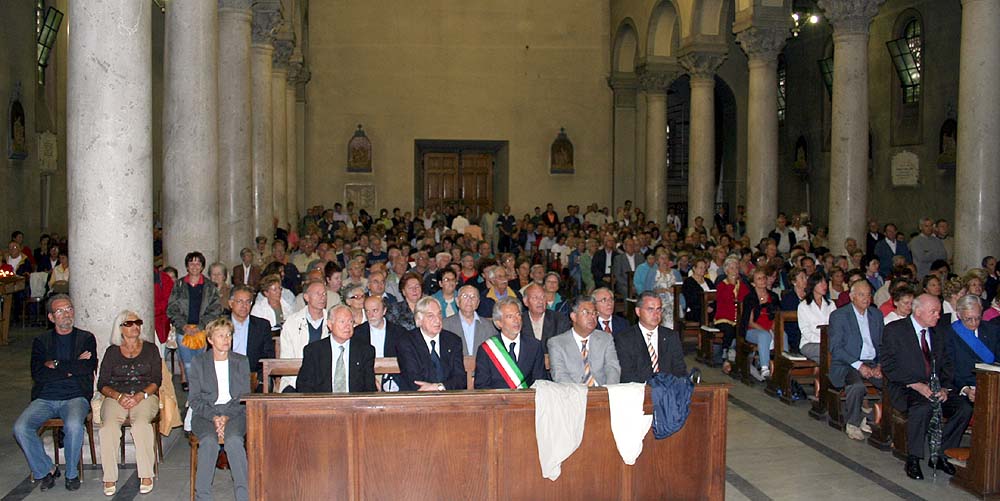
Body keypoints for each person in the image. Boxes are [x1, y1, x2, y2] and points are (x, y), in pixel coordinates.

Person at [881, 293, 972, 480]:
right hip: (907, 387)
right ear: (918, 312)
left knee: (964, 407)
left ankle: (941, 453)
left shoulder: (939, 332)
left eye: (939, 311)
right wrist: (916, 385)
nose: (938, 316)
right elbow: (888, 366)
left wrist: (945, 388)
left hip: (936, 387)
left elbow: (948, 365)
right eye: (934, 312)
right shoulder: (895, 330)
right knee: (922, 407)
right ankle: (913, 458)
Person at [13, 294, 96, 492]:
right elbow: (39, 373)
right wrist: (72, 366)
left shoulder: (86, 338)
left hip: (75, 396)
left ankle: (71, 474)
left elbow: (87, 367)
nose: (66, 314)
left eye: (69, 309)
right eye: (60, 311)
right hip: (45, 398)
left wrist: (56, 364)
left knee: (74, 425)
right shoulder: (41, 341)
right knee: (21, 427)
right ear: (51, 317)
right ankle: (46, 469)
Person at [97, 310, 162, 496]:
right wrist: (118, 396)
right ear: (120, 328)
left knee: (141, 425)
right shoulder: (112, 352)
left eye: (138, 322)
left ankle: (146, 475)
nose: (135, 326)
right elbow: (102, 384)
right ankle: (109, 477)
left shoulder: (151, 349)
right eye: (129, 323)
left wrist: (140, 395)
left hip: (144, 396)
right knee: (108, 428)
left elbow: (156, 380)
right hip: (116, 396)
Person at [187, 317, 251, 501]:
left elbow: (243, 397)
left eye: (229, 335)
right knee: (208, 442)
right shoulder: (199, 362)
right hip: (205, 412)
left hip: (235, 411)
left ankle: (244, 496)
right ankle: (203, 496)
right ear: (210, 339)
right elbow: (194, 399)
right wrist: (215, 416)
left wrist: (225, 416)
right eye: (221, 335)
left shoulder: (241, 361)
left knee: (234, 441)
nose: (226, 339)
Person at [828, 279, 884, 441]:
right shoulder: (839, 316)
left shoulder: (876, 314)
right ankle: (852, 423)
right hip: (848, 363)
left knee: (894, 383)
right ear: (852, 297)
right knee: (857, 386)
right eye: (861, 295)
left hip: (872, 362)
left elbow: (882, 344)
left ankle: (871, 418)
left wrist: (879, 365)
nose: (866, 298)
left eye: (868, 295)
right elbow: (836, 348)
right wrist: (859, 366)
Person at [166, 251, 222, 391]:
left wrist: (201, 325)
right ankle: (193, 393)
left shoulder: (209, 286)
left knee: (200, 364)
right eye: (191, 263)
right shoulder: (179, 285)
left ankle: (199, 392)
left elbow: (215, 309)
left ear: (202, 266)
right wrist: (183, 325)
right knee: (188, 364)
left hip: (201, 330)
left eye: (198, 263)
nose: (194, 266)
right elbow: (172, 308)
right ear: (187, 266)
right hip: (183, 331)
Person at [297, 305, 377, 393]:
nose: (348, 326)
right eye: (342, 322)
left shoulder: (365, 351)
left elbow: (369, 388)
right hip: (322, 400)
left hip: (355, 400)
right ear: (330, 324)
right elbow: (304, 386)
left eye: (350, 321)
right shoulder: (314, 351)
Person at [474, 297, 546, 389]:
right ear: (499, 323)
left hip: (527, 397)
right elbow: (482, 386)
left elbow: (540, 382)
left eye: (518, 315)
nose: (516, 320)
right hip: (497, 397)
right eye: (510, 317)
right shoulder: (487, 349)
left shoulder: (534, 346)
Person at [395, 297, 467, 391]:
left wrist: (439, 387)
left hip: (448, 396)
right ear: (419, 320)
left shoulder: (453, 341)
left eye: (439, 314)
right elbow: (414, 380)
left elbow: (460, 378)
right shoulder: (406, 342)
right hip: (417, 397)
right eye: (430, 316)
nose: (437, 320)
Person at [547, 295, 620, 386]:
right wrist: (582, 393)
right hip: (572, 392)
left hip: (602, 390)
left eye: (594, 313)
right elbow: (560, 375)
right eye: (586, 312)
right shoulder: (557, 343)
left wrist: (608, 391)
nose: (592, 317)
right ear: (574, 316)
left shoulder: (606, 339)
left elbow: (613, 368)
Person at [616, 292, 686, 383]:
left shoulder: (671, 336)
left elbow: (680, 369)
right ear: (638, 311)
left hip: (668, 388)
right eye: (650, 309)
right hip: (639, 388)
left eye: (658, 309)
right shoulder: (624, 338)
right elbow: (626, 374)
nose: (656, 314)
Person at [946, 294, 1000, 403]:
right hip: (964, 388)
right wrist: (966, 389)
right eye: (969, 319)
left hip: (992, 384)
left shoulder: (993, 330)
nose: (974, 323)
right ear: (959, 315)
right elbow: (949, 368)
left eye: (978, 318)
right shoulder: (948, 334)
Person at [278, 280, 329, 392]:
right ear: (306, 297)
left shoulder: (332, 320)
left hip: (326, 379)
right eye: (318, 293)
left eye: (324, 293)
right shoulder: (292, 322)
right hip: (295, 378)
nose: (323, 297)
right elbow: (286, 359)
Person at [228, 286, 274, 390]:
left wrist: (260, 379)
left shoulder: (262, 326)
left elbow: (269, 356)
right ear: (231, 303)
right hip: (227, 375)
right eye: (240, 301)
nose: (244, 306)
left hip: (254, 377)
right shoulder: (220, 325)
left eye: (248, 302)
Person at [739, 267, 779, 381]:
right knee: (764, 335)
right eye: (759, 278)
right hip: (752, 330)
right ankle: (764, 368)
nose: (763, 280)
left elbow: (777, 316)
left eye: (764, 278)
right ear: (753, 283)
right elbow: (750, 322)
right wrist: (766, 331)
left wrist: (774, 329)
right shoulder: (750, 298)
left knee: (783, 335)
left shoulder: (773, 296)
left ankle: (780, 368)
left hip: (770, 328)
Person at [715, 257, 748, 372]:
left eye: (736, 268)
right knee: (729, 330)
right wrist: (731, 284)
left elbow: (745, 298)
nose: (735, 271)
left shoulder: (742, 285)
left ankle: (738, 356)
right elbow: (727, 299)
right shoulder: (722, 285)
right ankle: (726, 354)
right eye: (732, 268)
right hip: (724, 318)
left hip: (738, 318)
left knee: (742, 330)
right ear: (726, 270)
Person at [443, 285, 497, 356]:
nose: (469, 300)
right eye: (465, 296)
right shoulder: (445, 325)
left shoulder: (490, 327)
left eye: (473, 296)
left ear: (478, 303)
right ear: (457, 301)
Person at [797, 272, 836, 363]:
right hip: (809, 343)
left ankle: (822, 371)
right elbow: (805, 330)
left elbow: (835, 325)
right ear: (813, 285)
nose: (824, 285)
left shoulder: (831, 304)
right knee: (828, 351)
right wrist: (823, 340)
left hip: (829, 342)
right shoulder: (803, 306)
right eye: (821, 283)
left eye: (825, 282)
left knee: (829, 356)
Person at [520, 284, 571, 352]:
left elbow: (566, 347)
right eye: (535, 298)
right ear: (525, 301)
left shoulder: (560, 320)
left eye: (543, 297)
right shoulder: (519, 321)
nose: (540, 301)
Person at [682, 258, 714, 322]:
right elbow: (691, 300)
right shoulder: (688, 282)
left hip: (710, 309)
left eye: (704, 268)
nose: (703, 270)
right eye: (701, 268)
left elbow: (715, 295)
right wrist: (705, 307)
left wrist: (712, 306)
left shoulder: (708, 281)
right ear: (694, 268)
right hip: (696, 311)